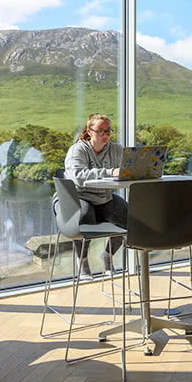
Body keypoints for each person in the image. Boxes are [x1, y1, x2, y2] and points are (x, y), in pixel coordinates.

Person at [63, 113, 127, 276]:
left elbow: (126, 170)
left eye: (108, 131)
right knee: (84, 217)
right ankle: (83, 260)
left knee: (130, 220)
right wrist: (111, 172)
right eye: (100, 131)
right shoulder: (78, 149)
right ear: (89, 131)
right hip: (81, 196)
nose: (105, 135)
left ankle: (107, 255)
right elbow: (77, 175)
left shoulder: (116, 149)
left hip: (105, 198)